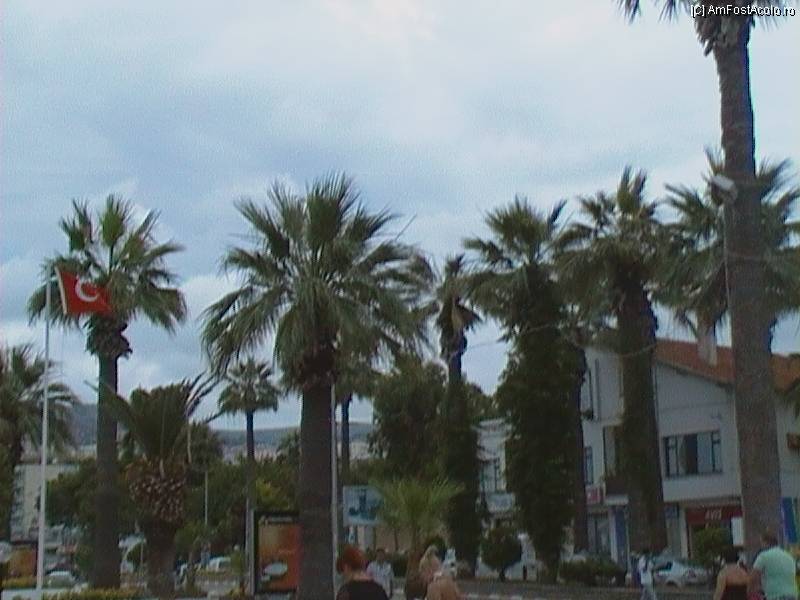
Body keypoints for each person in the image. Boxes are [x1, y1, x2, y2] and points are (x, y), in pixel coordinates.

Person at [750, 531, 798, 600]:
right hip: (792, 595)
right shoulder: (789, 557)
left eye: (761, 543)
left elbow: (754, 576)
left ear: (765, 542)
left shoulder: (763, 556)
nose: (761, 546)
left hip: (775, 595)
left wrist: (749, 591)